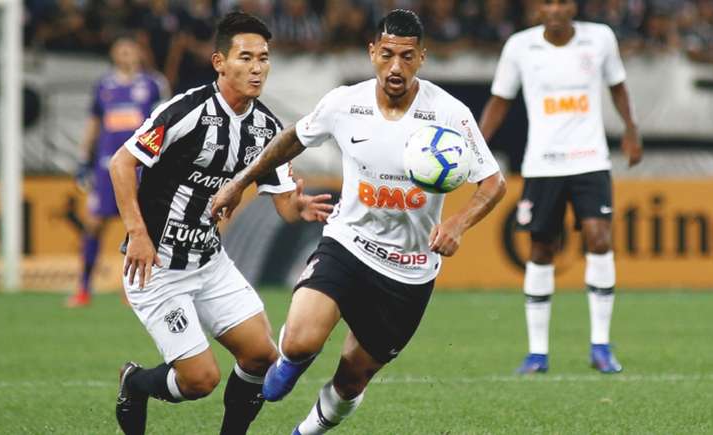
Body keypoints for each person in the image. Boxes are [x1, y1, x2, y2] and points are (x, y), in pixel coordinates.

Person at [212, 9, 506, 434]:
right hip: (348, 245)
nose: (396, 67)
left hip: (407, 270)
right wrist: (241, 182)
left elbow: (493, 183)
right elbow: (292, 137)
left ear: (422, 57)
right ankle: (292, 361)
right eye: (387, 55)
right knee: (298, 341)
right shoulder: (345, 102)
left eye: (407, 57)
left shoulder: (448, 113)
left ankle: (305, 432)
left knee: (352, 379)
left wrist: (458, 223)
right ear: (372, 53)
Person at [108, 12, 332, 434]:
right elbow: (122, 164)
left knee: (262, 358)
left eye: (263, 58)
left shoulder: (266, 128)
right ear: (219, 62)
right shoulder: (185, 110)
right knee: (200, 380)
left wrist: (297, 206)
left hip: (210, 264)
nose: (257, 67)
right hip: (157, 269)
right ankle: (135, 382)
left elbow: (282, 202)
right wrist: (138, 233)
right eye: (245, 57)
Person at [479, 0, 642, 374]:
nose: (555, 9)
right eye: (546, 2)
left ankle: (600, 345)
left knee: (600, 239)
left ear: (574, 6)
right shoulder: (519, 46)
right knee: (540, 248)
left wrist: (631, 129)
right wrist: (478, 145)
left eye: (562, 1)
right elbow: (500, 101)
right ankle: (538, 353)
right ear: (536, 8)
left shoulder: (600, 39)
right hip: (543, 163)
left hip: (591, 159)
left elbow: (618, 87)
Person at [66, 35, 165, 308]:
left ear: (139, 54)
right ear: (114, 55)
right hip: (105, 165)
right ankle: (84, 288)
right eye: (121, 51)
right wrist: (83, 159)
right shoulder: (104, 86)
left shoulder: (152, 85)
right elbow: (94, 124)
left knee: (137, 225)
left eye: (130, 51)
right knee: (94, 223)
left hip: (139, 165)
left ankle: (133, 291)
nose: (126, 55)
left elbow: (163, 124)